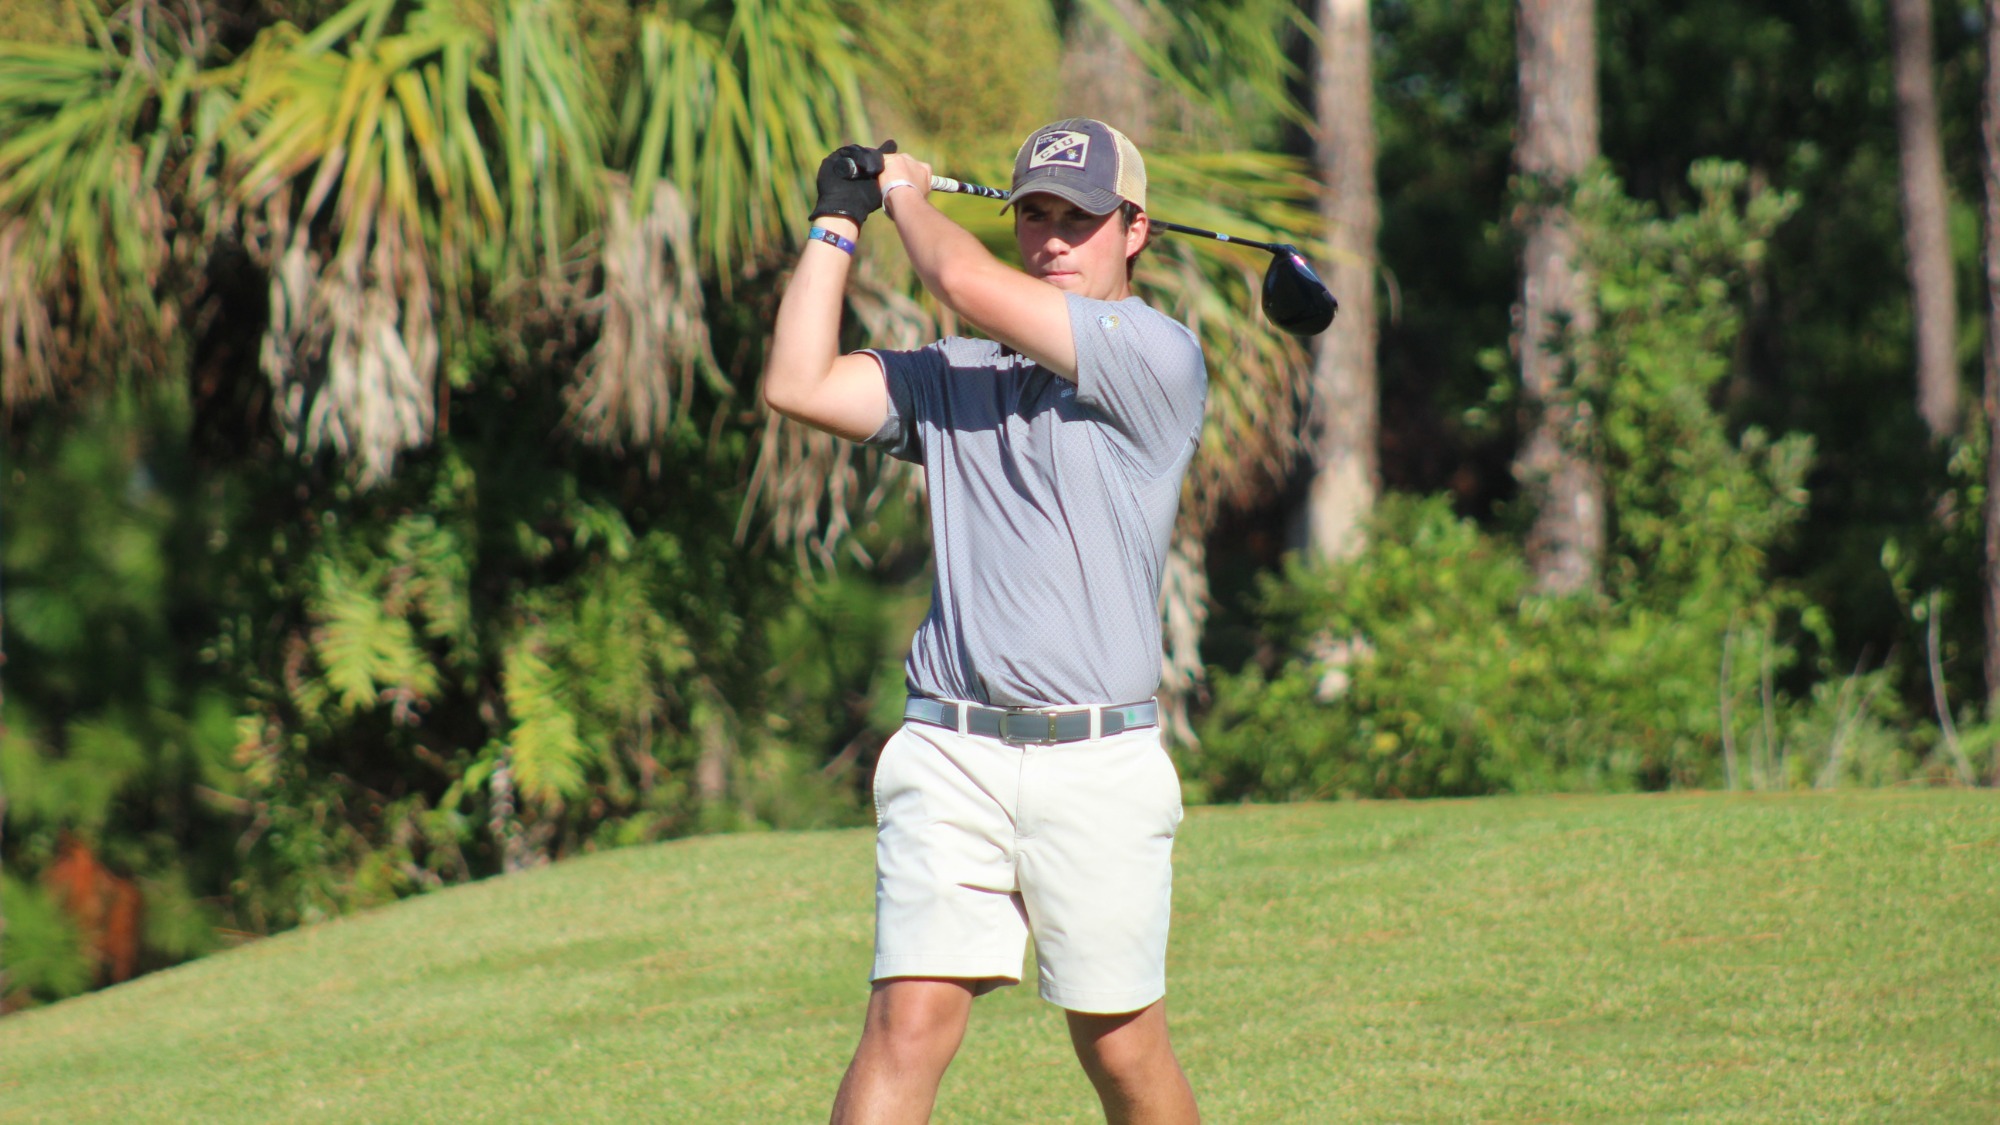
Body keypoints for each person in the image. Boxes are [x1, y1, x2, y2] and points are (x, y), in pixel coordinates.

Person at [763, 118, 1206, 1125]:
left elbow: (961, 282)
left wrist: (906, 195)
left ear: (1133, 231)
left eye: (1079, 219)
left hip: (1095, 762)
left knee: (1122, 1048)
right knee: (903, 1027)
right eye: (1034, 216)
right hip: (949, 748)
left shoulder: (1155, 358)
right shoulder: (959, 377)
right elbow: (797, 382)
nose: (1052, 239)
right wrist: (835, 223)